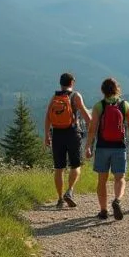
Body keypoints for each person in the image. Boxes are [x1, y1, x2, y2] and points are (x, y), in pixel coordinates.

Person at [84, 77, 129, 221]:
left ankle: (103, 210)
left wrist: (88, 147)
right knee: (120, 178)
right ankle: (117, 200)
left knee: (102, 180)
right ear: (117, 89)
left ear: (103, 90)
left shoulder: (98, 106)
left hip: (102, 147)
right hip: (119, 147)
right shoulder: (124, 105)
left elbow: (92, 129)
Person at [44, 72, 92, 209]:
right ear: (72, 83)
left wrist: (46, 135)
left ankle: (59, 199)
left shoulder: (55, 96)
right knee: (75, 166)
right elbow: (85, 114)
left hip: (57, 134)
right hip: (72, 133)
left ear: (61, 83)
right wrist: (92, 130)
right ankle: (69, 191)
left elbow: (48, 116)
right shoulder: (76, 96)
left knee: (59, 168)